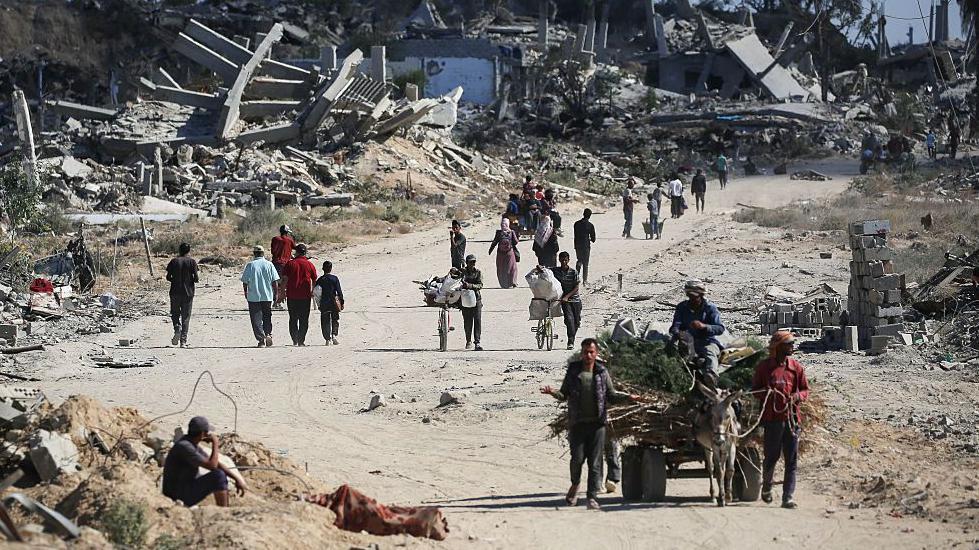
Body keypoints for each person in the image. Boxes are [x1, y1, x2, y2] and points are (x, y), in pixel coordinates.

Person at [539, 339, 637, 510]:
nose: (588, 355)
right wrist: (553, 392)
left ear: (596, 354)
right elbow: (564, 394)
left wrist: (629, 398)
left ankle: (592, 497)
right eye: (585, 352)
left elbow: (611, 395)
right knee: (577, 459)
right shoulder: (574, 370)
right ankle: (575, 484)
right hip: (577, 423)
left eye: (592, 352)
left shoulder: (602, 372)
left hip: (597, 425)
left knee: (595, 462)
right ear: (581, 353)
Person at [752, 331, 810, 509]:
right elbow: (755, 390)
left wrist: (797, 397)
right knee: (771, 457)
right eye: (789, 344)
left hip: (792, 420)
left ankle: (787, 497)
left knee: (791, 460)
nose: (792, 347)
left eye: (792, 343)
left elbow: (805, 391)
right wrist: (767, 393)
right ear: (778, 347)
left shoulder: (796, 368)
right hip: (772, 420)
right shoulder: (764, 367)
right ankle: (767, 486)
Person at [162, 416, 247, 507]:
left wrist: (236, 479)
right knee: (218, 476)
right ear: (202, 434)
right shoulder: (185, 447)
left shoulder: (190, 444)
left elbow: (217, 464)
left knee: (219, 474)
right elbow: (212, 466)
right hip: (175, 495)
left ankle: (225, 509)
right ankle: (224, 511)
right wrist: (215, 443)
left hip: (182, 489)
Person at [669, 280, 725, 383]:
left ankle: (711, 376)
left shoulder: (710, 308)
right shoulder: (682, 307)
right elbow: (675, 326)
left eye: (695, 296)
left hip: (706, 341)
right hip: (686, 341)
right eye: (689, 295)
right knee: (672, 351)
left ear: (701, 295)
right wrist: (679, 333)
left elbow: (720, 328)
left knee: (710, 353)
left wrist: (704, 326)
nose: (692, 298)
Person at [241, 245, 280, 347]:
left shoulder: (250, 265)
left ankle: (261, 340)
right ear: (263, 254)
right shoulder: (269, 265)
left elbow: (245, 282)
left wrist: (246, 292)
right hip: (267, 296)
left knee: (256, 319)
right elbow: (275, 282)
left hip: (253, 297)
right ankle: (268, 333)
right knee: (267, 316)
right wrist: (276, 294)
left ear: (254, 254)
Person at [282, 243, 317, 346]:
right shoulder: (310, 264)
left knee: (293, 318)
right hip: (305, 296)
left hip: (292, 295)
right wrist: (312, 291)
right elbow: (314, 279)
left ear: (296, 252)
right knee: (304, 319)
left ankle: (295, 340)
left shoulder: (290, 264)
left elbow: (284, 279)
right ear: (305, 253)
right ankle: (301, 341)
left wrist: (282, 293)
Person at [166, 242, 198, 348]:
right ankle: (183, 341)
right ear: (188, 251)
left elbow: (168, 277)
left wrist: (174, 280)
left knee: (175, 313)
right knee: (186, 317)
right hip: (188, 293)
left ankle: (176, 327)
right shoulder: (192, 262)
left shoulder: (174, 261)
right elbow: (196, 278)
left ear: (179, 250)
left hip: (175, 291)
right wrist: (191, 280)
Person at [550, 252, 582, 350]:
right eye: (562, 260)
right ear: (559, 260)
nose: (564, 262)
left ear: (568, 260)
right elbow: (546, 271)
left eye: (565, 260)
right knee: (569, 319)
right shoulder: (555, 271)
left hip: (575, 300)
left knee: (576, 321)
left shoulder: (573, 272)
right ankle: (570, 341)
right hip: (564, 301)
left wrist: (567, 296)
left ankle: (572, 336)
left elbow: (576, 287)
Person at [315, 261, 344, 345]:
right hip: (334, 303)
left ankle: (327, 339)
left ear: (323, 269)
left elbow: (317, 292)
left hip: (324, 303)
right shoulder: (334, 278)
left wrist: (319, 304)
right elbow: (339, 291)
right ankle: (334, 335)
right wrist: (341, 302)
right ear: (331, 269)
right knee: (335, 319)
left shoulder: (320, 280)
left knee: (325, 321)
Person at [460, 254, 483, 351]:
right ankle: (468, 341)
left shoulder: (478, 272)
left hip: (476, 299)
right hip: (465, 300)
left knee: (477, 321)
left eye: (474, 262)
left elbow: (480, 285)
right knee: (467, 321)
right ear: (467, 263)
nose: (473, 264)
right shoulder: (462, 272)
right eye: (471, 262)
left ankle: (477, 343)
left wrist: (470, 286)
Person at [489, 217, 519, 288]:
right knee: (512, 267)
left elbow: (495, 242)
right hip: (509, 253)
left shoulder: (499, 232)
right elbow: (516, 242)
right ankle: (512, 282)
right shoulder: (511, 232)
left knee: (501, 268)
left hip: (500, 253)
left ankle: (504, 284)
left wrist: (490, 250)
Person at [270, 225, 295, 308]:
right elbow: (294, 248)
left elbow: (273, 251)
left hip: (276, 264)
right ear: (287, 232)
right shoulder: (290, 240)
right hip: (286, 265)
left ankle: (276, 302)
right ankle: (281, 301)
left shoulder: (275, 239)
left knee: (275, 283)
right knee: (285, 283)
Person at [573, 209, 597, 284]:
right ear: (590, 216)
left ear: (583, 214)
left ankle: (576, 278)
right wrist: (589, 238)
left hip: (577, 245)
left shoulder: (576, 224)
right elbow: (593, 239)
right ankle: (585, 280)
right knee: (585, 264)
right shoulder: (590, 225)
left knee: (579, 261)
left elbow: (576, 235)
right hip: (586, 246)